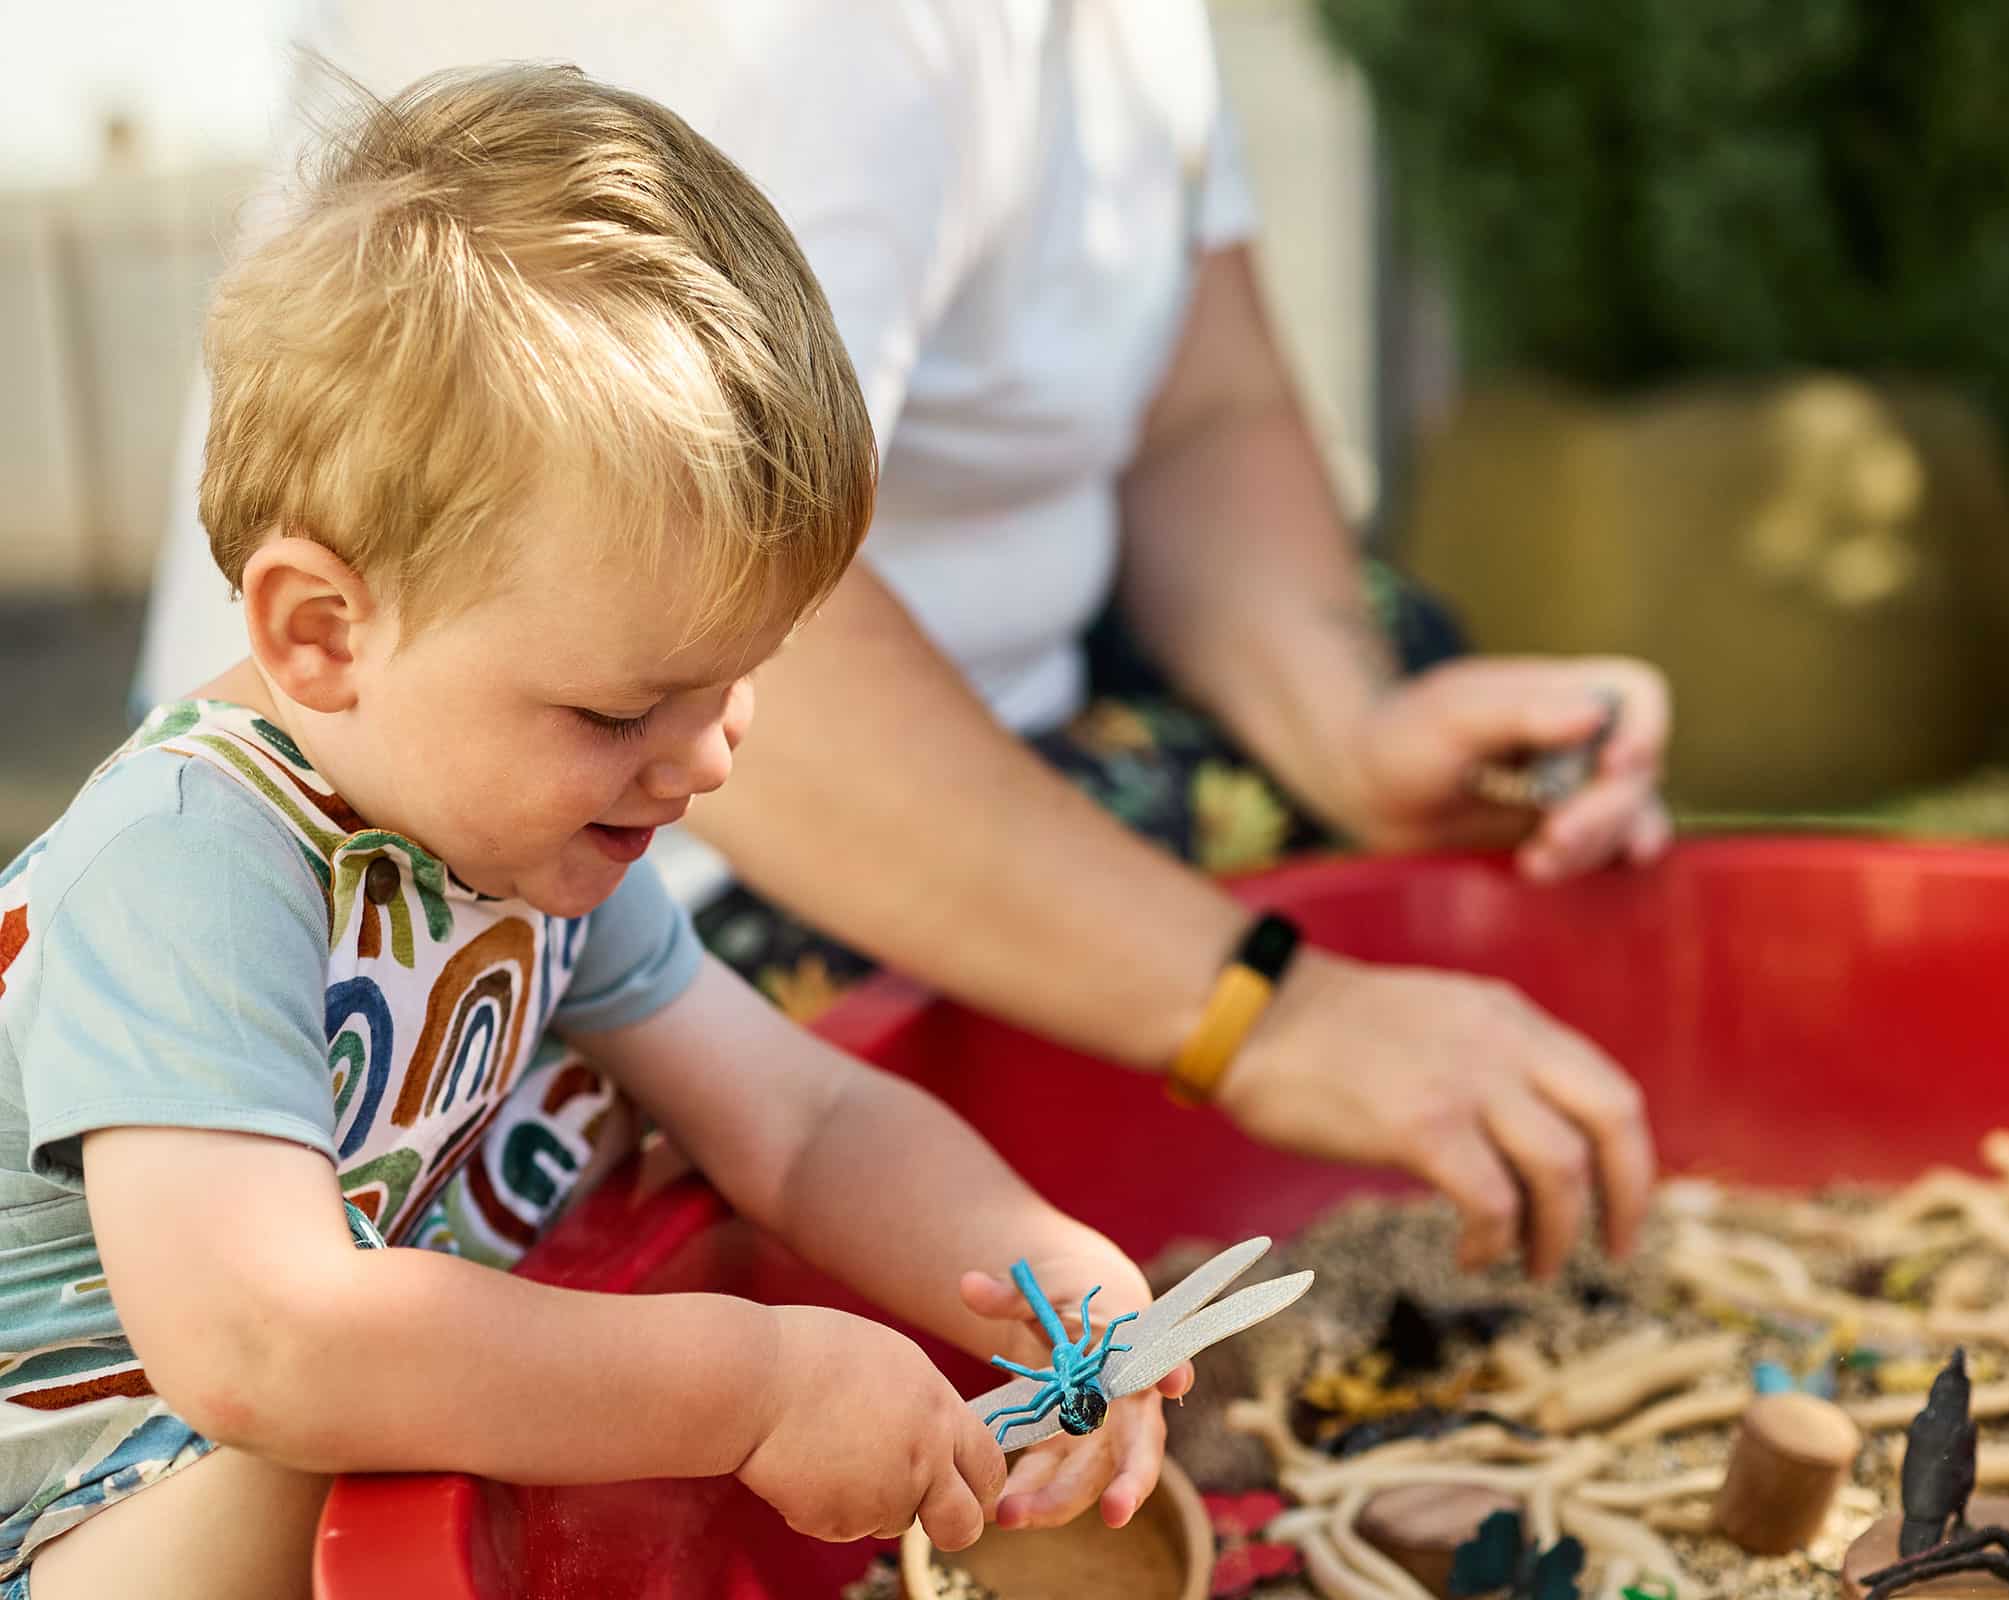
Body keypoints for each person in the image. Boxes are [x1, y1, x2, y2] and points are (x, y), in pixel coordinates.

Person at [136, 0, 1675, 1287]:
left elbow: (1203, 411)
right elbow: (756, 702)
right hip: (660, 828)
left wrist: (1352, 723)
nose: (717, 732)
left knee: (1404, 659)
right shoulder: (793, 38)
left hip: (713, 739)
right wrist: (1269, 1007)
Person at [4, 63, 1186, 1600]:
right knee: (382, 1391)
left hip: (259, 1439)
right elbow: (261, 1347)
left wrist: (1039, 1269)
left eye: (740, 676)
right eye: (623, 712)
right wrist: (747, 1387)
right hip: (75, 1514)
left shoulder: (514, 838)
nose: (704, 760)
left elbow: (802, 1123)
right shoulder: (188, 865)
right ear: (320, 634)